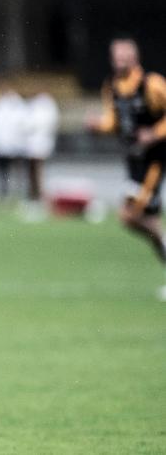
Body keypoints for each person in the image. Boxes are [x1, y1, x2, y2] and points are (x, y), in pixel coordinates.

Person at [88, 37, 166, 299]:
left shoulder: (151, 84)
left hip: (154, 161)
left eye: (125, 56)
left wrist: (154, 134)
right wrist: (99, 125)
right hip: (134, 162)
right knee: (138, 217)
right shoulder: (111, 86)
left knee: (130, 215)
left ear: (135, 58)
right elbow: (114, 121)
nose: (120, 61)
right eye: (116, 56)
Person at [22, 90, 59, 221]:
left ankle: (39, 201)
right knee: (33, 174)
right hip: (32, 145)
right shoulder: (34, 105)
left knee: (38, 174)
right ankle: (34, 200)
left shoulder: (46, 105)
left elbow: (43, 124)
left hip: (40, 145)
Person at [0, 84, 28, 198]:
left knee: (15, 171)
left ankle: (17, 193)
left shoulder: (17, 104)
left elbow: (21, 124)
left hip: (14, 146)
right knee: (0, 171)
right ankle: (1, 193)